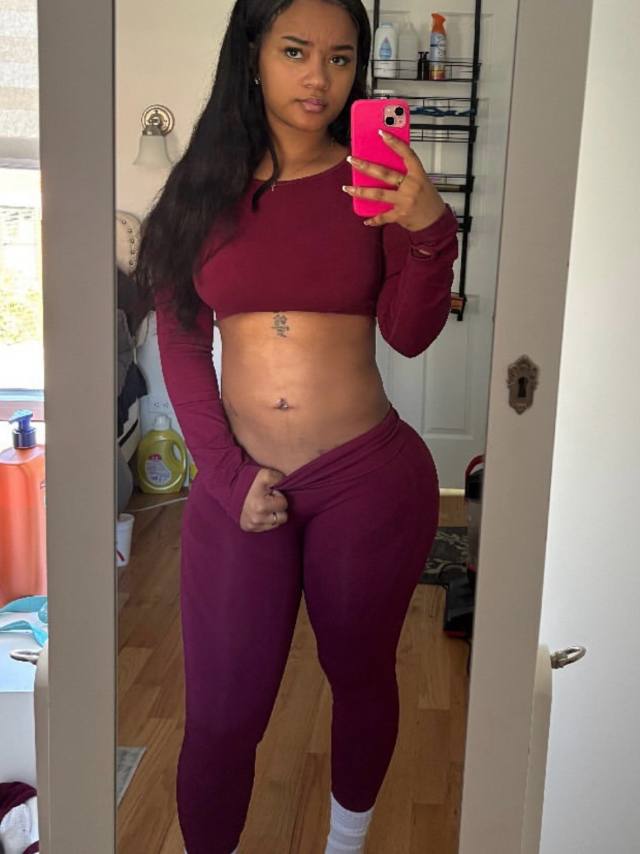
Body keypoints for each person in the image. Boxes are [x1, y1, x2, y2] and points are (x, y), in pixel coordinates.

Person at [135, 0, 459, 851]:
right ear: (252, 54)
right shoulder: (202, 191)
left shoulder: (377, 184)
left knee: (360, 675)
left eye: (342, 58)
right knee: (220, 716)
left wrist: (429, 230)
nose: (320, 77)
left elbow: (409, 334)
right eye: (295, 51)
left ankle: (345, 844)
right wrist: (225, 474)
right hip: (238, 483)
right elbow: (179, 340)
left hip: (368, 479)